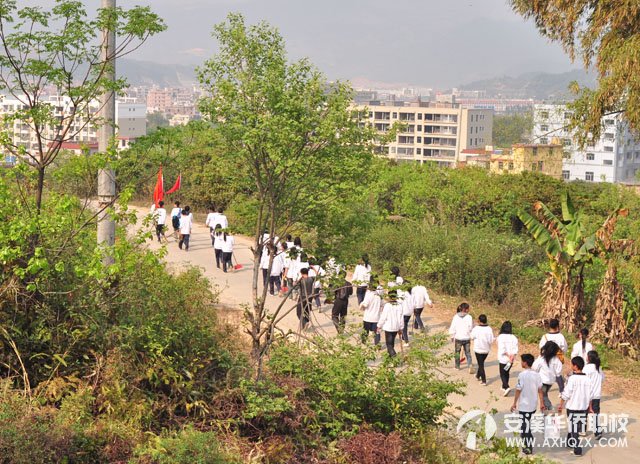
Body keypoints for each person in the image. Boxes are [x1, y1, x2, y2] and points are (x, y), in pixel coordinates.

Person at [511, 353, 545, 455]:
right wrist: (541, 403)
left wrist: (514, 403)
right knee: (526, 425)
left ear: (525, 363)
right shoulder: (537, 375)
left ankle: (528, 447)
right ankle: (526, 445)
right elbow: (540, 390)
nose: (521, 363)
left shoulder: (522, 375)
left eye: (522, 361)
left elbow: (518, 389)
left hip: (524, 405)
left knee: (525, 428)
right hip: (533, 405)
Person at [558, 357, 593, 456]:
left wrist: (561, 405)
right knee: (576, 427)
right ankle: (570, 442)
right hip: (583, 408)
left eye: (571, 364)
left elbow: (566, 394)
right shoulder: (588, 379)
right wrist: (590, 407)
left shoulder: (572, 379)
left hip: (573, 407)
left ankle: (577, 449)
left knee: (574, 428)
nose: (570, 366)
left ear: (575, 366)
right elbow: (591, 395)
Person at [532, 341, 562, 412]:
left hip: (542, 381)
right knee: (544, 395)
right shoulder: (557, 361)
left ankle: (550, 408)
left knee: (543, 396)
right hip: (550, 382)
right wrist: (561, 387)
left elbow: (534, 368)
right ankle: (544, 411)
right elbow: (558, 374)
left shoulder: (541, 359)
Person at [539, 318, 567, 393]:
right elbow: (564, 348)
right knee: (558, 373)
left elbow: (541, 347)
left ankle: (545, 390)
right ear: (557, 326)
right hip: (557, 357)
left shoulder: (545, 336)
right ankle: (562, 390)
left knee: (548, 372)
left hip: (546, 357)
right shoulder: (561, 336)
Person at [377, 290, 403, 357]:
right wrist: (401, 328)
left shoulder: (387, 305)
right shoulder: (399, 305)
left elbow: (383, 317)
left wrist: (379, 325)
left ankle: (394, 357)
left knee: (389, 344)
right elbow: (401, 318)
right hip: (396, 327)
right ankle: (389, 358)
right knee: (392, 343)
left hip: (389, 327)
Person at [584, 350, 604, 438]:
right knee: (595, 413)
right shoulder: (598, 368)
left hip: (587, 394)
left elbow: (583, 379)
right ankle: (597, 432)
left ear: (589, 358)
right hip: (597, 394)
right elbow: (602, 378)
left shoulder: (587, 368)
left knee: (583, 412)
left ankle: (582, 430)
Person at [448, 303, 473, 372]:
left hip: (458, 338)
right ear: (466, 309)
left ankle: (457, 366)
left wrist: (452, 336)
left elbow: (453, 327)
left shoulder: (456, 317)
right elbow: (470, 327)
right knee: (468, 353)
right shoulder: (469, 317)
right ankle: (470, 365)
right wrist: (470, 335)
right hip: (466, 338)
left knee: (457, 352)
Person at [470, 314, 494, 385]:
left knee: (481, 365)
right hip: (486, 349)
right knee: (481, 363)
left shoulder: (476, 329)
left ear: (479, 321)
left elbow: (471, 337)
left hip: (478, 349)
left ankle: (484, 380)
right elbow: (491, 340)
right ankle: (478, 375)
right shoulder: (489, 329)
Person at [497, 321, 519, 396]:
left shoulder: (501, 337)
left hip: (503, 358)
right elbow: (515, 349)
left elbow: (502, 349)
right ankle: (504, 386)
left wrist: (508, 355)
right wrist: (512, 356)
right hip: (510, 360)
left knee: (502, 373)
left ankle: (506, 386)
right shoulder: (514, 337)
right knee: (506, 372)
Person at [331, 270, 352, 334]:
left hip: (338, 300)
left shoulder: (336, 283)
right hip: (345, 301)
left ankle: (339, 328)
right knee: (343, 316)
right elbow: (350, 293)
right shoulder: (349, 284)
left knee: (334, 315)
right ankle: (341, 330)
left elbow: (332, 291)